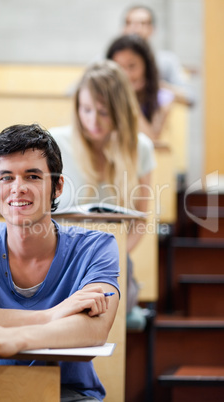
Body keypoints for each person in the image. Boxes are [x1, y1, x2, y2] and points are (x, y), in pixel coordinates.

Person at [0, 124, 120, 402]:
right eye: (6, 178)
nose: (18, 189)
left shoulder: (97, 247)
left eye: (32, 176)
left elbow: (95, 328)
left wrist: (18, 339)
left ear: (57, 186)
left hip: (69, 394)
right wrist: (49, 316)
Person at [49, 60, 156, 315]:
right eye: (85, 109)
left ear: (120, 111)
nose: (93, 120)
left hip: (113, 259)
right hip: (57, 256)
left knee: (104, 294)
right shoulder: (55, 142)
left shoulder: (140, 148)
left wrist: (109, 258)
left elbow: (140, 221)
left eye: (103, 112)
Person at [122, 4, 195, 106]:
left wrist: (157, 86)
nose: (136, 29)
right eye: (130, 23)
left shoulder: (166, 61)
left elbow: (190, 97)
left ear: (152, 29)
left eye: (142, 23)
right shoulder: (109, 58)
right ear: (123, 28)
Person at [106, 33, 174, 140]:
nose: (125, 74)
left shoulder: (162, 97)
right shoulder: (103, 94)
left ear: (146, 66)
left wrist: (129, 97)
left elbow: (150, 139)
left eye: (132, 66)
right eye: (118, 67)